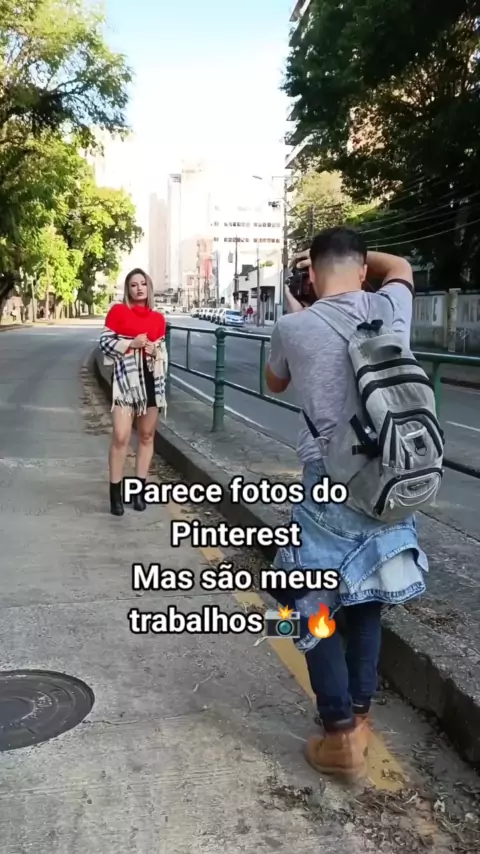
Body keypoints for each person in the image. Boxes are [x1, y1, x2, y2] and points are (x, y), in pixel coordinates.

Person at [265, 227, 428, 781]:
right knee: (365, 598)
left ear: (310, 276)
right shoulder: (390, 307)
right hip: (389, 478)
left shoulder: (292, 326)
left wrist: (299, 303)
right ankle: (357, 721)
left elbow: (276, 381)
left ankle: (338, 734)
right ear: (361, 270)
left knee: (304, 598)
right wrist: (362, 260)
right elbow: (400, 266)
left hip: (328, 483)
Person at [99, 268, 168, 517]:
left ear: (149, 287)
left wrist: (154, 350)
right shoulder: (118, 312)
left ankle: (139, 491)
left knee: (147, 436)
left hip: (151, 381)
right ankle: (115, 494)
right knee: (121, 436)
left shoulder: (158, 318)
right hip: (125, 383)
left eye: (142, 284)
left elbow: (162, 351)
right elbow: (105, 343)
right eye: (133, 285)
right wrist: (131, 343)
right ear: (128, 290)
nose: (139, 289)